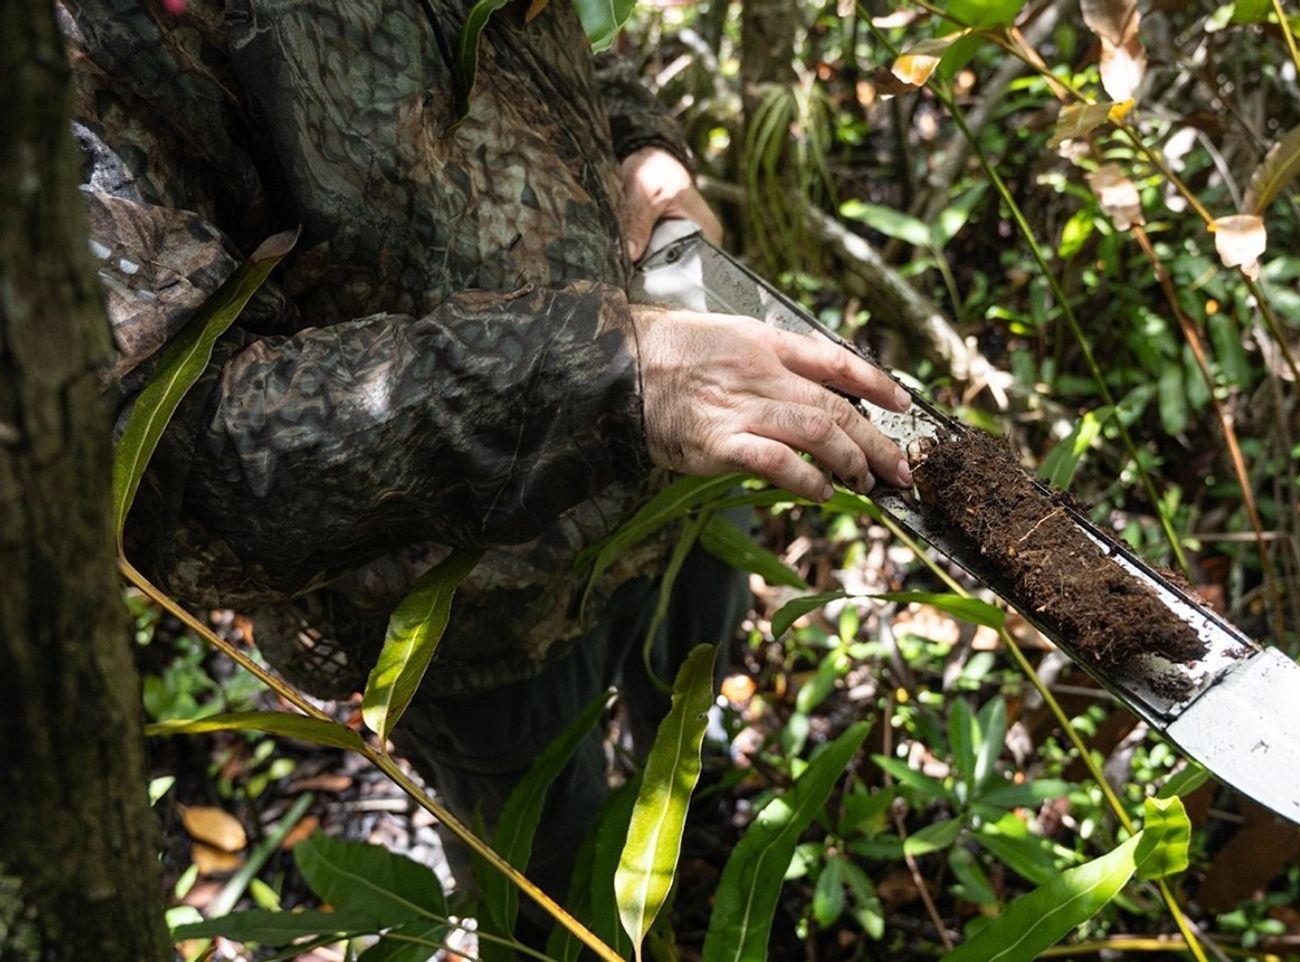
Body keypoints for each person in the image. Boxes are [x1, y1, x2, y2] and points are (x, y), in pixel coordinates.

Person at [67, 0, 912, 904]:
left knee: (688, 705)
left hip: (685, 478)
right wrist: (598, 379)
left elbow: (569, 35)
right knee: (551, 870)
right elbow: (171, 453)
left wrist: (640, 142)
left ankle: (698, 826)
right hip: (467, 603)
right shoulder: (75, 44)